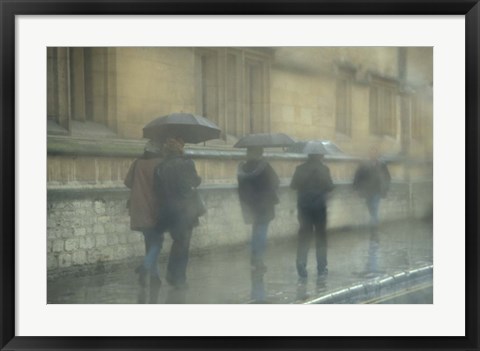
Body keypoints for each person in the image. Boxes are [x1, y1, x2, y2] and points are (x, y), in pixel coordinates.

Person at [154, 136, 202, 290]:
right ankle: (178, 278)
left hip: (167, 210)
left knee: (177, 242)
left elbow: (157, 190)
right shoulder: (187, 163)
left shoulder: (160, 167)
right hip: (185, 210)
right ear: (180, 149)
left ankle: (173, 275)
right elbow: (193, 182)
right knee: (183, 244)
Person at [124, 140, 164, 303]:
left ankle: (153, 276)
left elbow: (127, 182)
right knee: (157, 242)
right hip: (154, 207)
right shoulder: (160, 164)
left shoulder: (137, 163)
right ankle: (145, 268)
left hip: (139, 207)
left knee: (150, 242)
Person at [290, 151, 334, 279]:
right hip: (320, 207)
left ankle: (301, 262)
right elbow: (330, 186)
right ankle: (321, 267)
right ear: (320, 156)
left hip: (304, 207)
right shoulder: (324, 169)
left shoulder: (300, 169)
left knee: (304, 235)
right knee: (321, 237)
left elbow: (293, 186)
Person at [237, 146, 280, 273]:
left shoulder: (242, 168)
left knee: (255, 231)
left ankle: (254, 258)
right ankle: (258, 261)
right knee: (261, 233)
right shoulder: (265, 167)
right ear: (260, 153)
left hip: (251, 205)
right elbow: (275, 182)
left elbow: (241, 188)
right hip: (264, 205)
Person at [353, 146, 391, 232]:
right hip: (367, 191)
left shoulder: (382, 165)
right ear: (369, 154)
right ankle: (374, 223)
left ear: (377, 155)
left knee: (374, 208)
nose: (373, 154)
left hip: (377, 191)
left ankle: (374, 228)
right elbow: (357, 176)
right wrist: (356, 188)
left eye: (375, 153)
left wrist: (386, 189)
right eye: (371, 153)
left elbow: (387, 177)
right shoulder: (364, 165)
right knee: (371, 208)